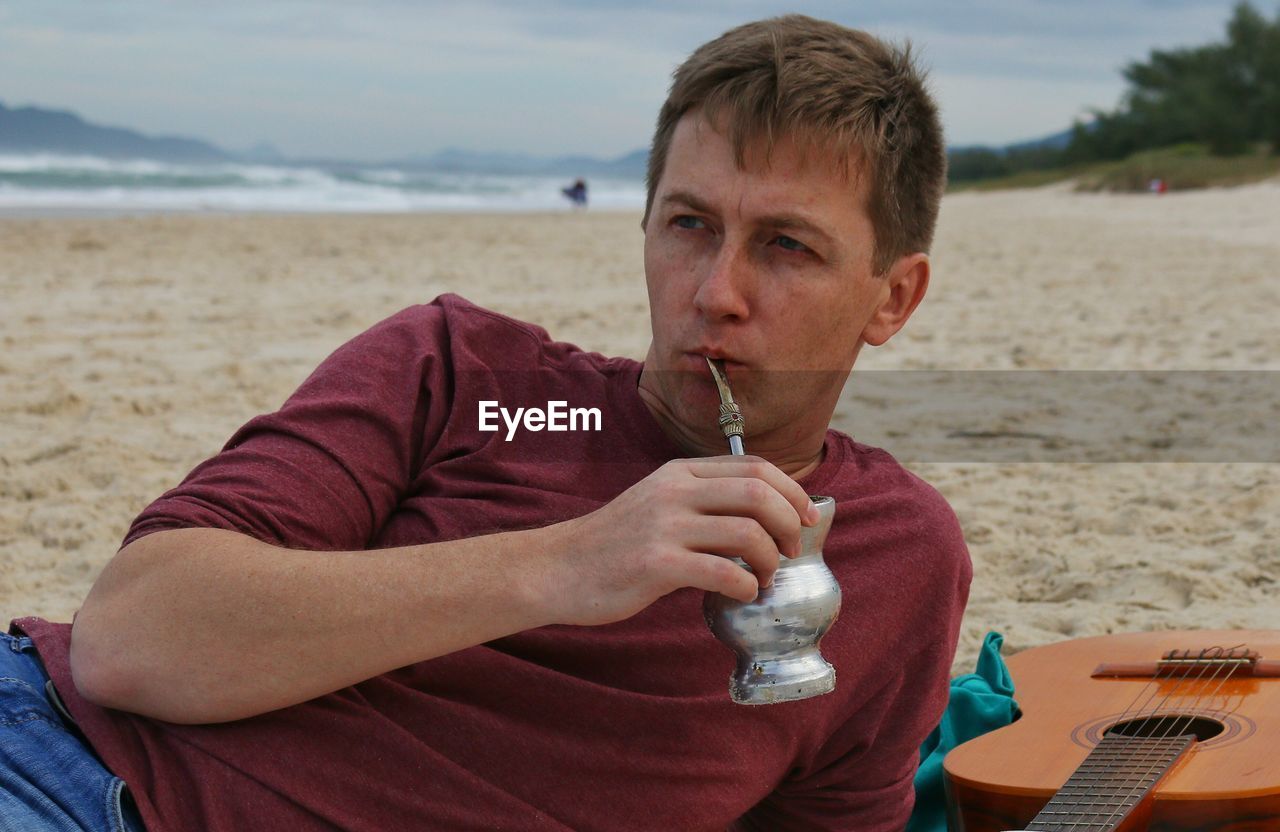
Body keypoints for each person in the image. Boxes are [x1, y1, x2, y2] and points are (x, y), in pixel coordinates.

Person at [5, 14, 970, 831]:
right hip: (69, 773)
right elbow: (130, 639)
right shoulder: (472, 375)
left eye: (787, 246)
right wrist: (566, 564)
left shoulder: (900, 558)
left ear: (892, 298)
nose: (714, 293)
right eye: (689, 225)